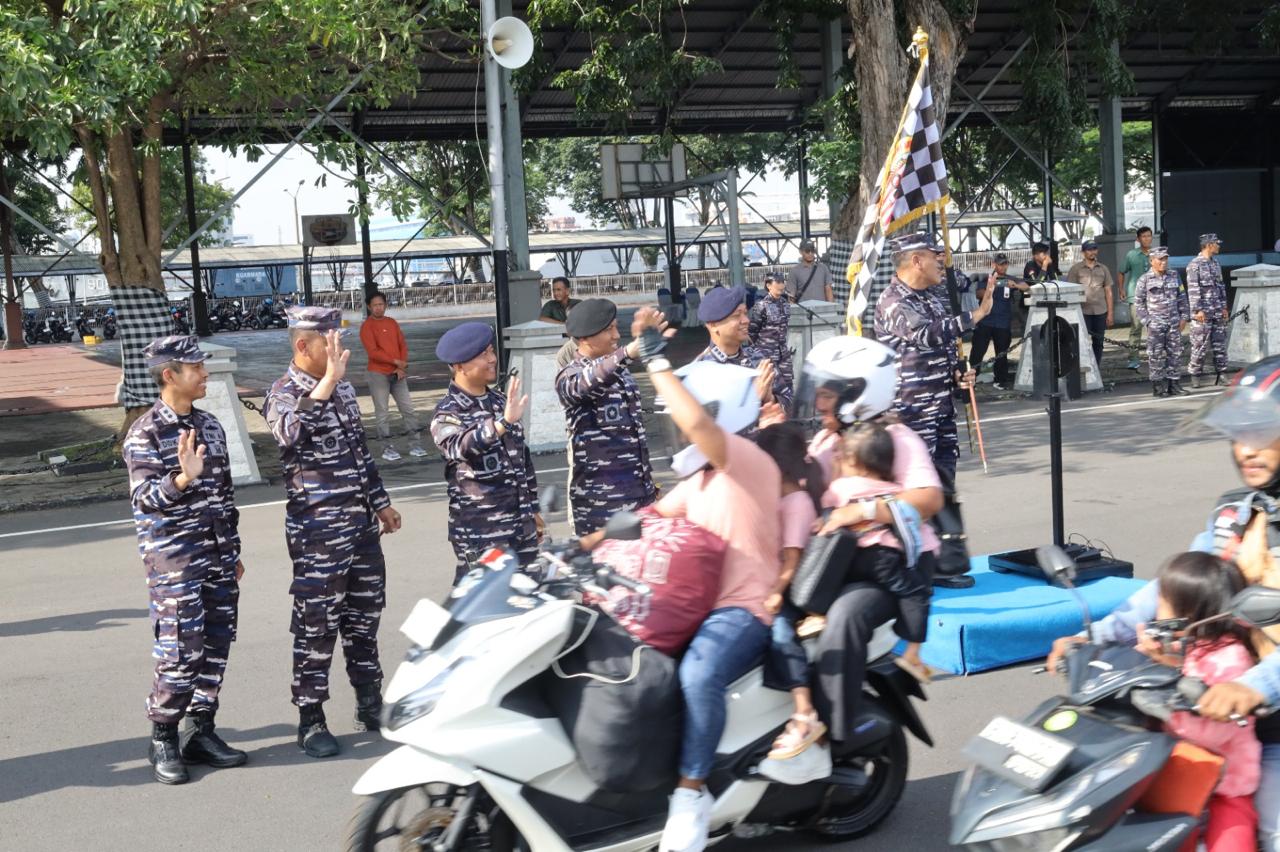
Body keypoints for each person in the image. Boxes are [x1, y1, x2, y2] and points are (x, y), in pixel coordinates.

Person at [1042, 354, 1280, 849]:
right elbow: (1168, 590)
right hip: (1210, 709)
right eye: (1239, 436)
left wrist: (1256, 685)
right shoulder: (1235, 514)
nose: (1246, 451)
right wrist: (1093, 637)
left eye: (1261, 435)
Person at [787, 336, 944, 760]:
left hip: (890, 565)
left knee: (845, 616)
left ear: (857, 393)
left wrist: (863, 511)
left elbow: (929, 498)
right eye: (816, 390)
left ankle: (838, 731)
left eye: (826, 393)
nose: (817, 401)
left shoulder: (894, 437)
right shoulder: (824, 441)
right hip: (839, 561)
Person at [647, 355, 781, 852]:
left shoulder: (745, 460)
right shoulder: (700, 478)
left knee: (698, 674)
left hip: (744, 609)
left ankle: (691, 795)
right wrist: (577, 549)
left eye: (679, 422)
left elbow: (697, 423)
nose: (677, 434)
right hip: (697, 606)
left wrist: (654, 359)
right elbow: (649, 517)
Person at [263, 306, 402, 759]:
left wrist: (380, 503)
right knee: (317, 626)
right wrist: (326, 384)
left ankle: (369, 701)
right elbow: (291, 434)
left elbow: (360, 455)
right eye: (331, 341)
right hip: (318, 533)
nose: (340, 349)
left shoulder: (341, 391)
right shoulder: (283, 394)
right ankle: (311, 718)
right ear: (304, 346)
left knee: (364, 619)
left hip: (360, 527)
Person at [123, 335, 246, 785]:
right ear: (169, 374)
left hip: (216, 557)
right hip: (174, 562)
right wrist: (180, 478)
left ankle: (202, 730)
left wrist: (232, 552)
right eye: (196, 368)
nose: (205, 374)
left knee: (216, 645)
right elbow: (145, 499)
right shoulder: (145, 433)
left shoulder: (211, 426)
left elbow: (225, 498)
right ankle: (164, 737)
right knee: (180, 652)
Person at [1140, 553, 1259, 852]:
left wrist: (1169, 694)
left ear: (1188, 611)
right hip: (1177, 771)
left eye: (1163, 600)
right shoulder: (1179, 643)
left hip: (1225, 782)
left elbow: (1213, 732)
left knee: (1231, 842)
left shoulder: (1231, 659)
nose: (1157, 608)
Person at [874, 232, 993, 481]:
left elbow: (944, 346)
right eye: (935, 256)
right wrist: (976, 315)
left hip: (941, 411)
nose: (942, 261)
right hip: (912, 416)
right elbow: (926, 335)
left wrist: (957, 375)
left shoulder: (930, 299)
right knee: (919, 491)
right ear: (916, 261)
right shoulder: (894, 301)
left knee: (944, 491)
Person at [429, 321, 542, 582]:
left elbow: (522, 461)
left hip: (520, 526)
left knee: (527, 599)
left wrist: (533, 509)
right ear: (460, 366)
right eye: (483, 355)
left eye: (491, 351)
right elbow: (459, 446)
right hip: (482, 532)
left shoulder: (501, 401)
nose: (492, 359)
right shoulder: (448, 412)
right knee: (484, 606)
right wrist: (502, 424)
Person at [821, 422, 932, 682]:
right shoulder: (893, 493)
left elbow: (825, 513)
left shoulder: (838, 489)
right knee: (916, 592)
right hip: (882, 557)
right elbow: (911, 526)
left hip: (847, 558)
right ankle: (913, 652)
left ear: (853, 461)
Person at [754, 421, 831, 786]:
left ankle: (804, 709)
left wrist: (774, 594)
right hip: (768, 583)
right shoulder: (778, 498)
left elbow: (791, 560)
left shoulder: (797, 503)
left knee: (780, 633)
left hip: (790, 592)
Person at [556, 300, 668, 536]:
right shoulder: (570, 376)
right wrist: (628, 352)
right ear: (585, 338)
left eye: (616, 328)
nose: (617, 335)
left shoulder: (622, 373)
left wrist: (649, 485)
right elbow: (591, 380)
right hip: (601, 508)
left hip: (640, 497)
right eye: (609, 330)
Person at [695, 284, 789, 411]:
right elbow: (706, 425)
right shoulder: (701, 372)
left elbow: (790, 404)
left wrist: (770, 399)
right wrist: (753, 398)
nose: (746, 320)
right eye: (736, 316)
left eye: (745, 313)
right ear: (713, 326)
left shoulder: (759, 358)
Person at [359, 290, 426, 461]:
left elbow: (402, 344)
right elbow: (373, 353)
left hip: (398, 374)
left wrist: (401, 365)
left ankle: (415, 445)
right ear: (369, 307)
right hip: (378, 374)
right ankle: (387, 448)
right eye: (375, 305)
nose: (378, 308)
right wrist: (396, 362)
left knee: (408, 409)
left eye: (381, 304)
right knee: (382, 413)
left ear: (385, 305)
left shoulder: (392, 323)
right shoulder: (367, 326)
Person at [1134, 247, 1190, 398]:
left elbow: (1182, 297)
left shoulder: (1174, 275)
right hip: (1156, 324)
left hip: (1174, 323)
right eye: (1160, 259)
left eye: (1165, 259)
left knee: (1175, 354)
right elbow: (1138, 304)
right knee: (1156, 356)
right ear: (1152, 261)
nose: (1163, 262)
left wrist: (1184, 317)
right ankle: (1158, 386)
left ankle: (1174, 385)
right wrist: (1148, 322)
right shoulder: (1144, 280)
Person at [969, 253, 1025, 390]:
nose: (1003, 266)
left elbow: (1026, 286)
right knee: (978, 352)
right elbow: (979, 293)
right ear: (994, 265)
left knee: (1002, 353)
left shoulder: (1011, 279)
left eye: (1005, 264)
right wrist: (993, 286)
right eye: (1000, 264)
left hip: (1003, 322)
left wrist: (1015, 286)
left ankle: (1000, 380)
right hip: (985, 321)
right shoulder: (987, 278)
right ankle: (971, 380)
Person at [1187, 233, 1231, 388]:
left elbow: (1221, 286)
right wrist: (1198, 310)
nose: (1218, 246)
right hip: (1203, 314)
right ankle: (1196, 375)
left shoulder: (1215, 263)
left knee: (1220, 344)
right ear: (1209, 245)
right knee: (1200, 345)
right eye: (1216, 243)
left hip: (1217, 311)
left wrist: (1224, 306)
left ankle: (1222, 373)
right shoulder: (1195, 265)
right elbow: (1193, 289)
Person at [1065, 239, 1115, 370]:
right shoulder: (1076, 269)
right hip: (1083, 311)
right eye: (1089, 249)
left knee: (1098, 342)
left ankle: (1096, 368)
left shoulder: (1103, 268)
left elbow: (1108, 291)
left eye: (1094, 249)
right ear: (1083, 252)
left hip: (1101, 311)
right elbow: (1069, 290)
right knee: (1081, 342)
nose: (1092, 252)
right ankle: (1082, 368)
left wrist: (1110, 313)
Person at [748, 272, 794, 402]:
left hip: (783, 352)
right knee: (771, 384)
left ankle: (789, 415)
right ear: (768, 285)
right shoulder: (761, 305)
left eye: (782, 282)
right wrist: (758, 351)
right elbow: (752, 331)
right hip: (766, 353)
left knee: (788, 382)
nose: (781, 285)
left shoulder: (785, 304)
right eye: (777, 282)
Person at [1118, 226, 1155, 370]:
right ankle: (1133, 358)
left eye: (1149, 236)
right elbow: (1121, 272)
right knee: (1136, 328)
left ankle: (1154, 355)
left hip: (1154, 296)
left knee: (1155, 327)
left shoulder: (1156, 254)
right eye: (1144, 236)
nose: (1147, 238)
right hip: (1136, 297)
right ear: (1138, 239)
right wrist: (1121, 289)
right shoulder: (1131, 255)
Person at [787, 240, 834, 304]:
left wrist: (831, 308)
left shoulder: (823, 268)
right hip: (803, 311)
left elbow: (828, 289)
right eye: (807, 251)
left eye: (812, 251)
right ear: (800, 252)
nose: (810, 253)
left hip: (822, 310)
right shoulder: (794, 271)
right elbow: (791, 295)